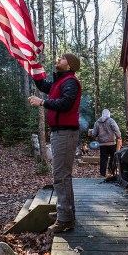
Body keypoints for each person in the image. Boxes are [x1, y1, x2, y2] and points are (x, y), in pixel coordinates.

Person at [28, 53, 82, 233]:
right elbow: (43, 85)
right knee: (62, 176)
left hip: (66, 134)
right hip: (60, 133)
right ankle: (66, 214)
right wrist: (34, 67)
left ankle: (65, 218)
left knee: (61, 176)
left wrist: (42, 102)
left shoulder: (71, 82)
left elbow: (65, 104)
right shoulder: (60, 81)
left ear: (70, 65)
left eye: (62, 59)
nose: (58, 59)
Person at [91, 109, 121, 177]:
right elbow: (116, 130)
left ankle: (102, 174)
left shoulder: (97, 122)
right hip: (112, 144)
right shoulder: (111, 121)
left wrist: (95, 134)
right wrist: (118, 137)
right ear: (109, 114)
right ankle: (111, 172)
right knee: (113, 158)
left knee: (103, 159)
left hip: (102, 144)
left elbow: (93, 134)